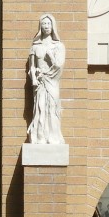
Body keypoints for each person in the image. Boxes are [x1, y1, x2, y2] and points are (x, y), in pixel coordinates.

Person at [26, 14, 65, 145]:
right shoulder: (35, 46)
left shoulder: (58, 46)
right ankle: (40, 137)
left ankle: (53, 137)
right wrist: (34, 78)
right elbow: (32, 67)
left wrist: (51, 57)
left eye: (48, 24)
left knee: (52, 108)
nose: (46, 26)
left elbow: (59, 66)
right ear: (40, 27)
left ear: (53, 26)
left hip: (52, 81)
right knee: (40, 107)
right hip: (40, 82)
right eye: (44, 24)